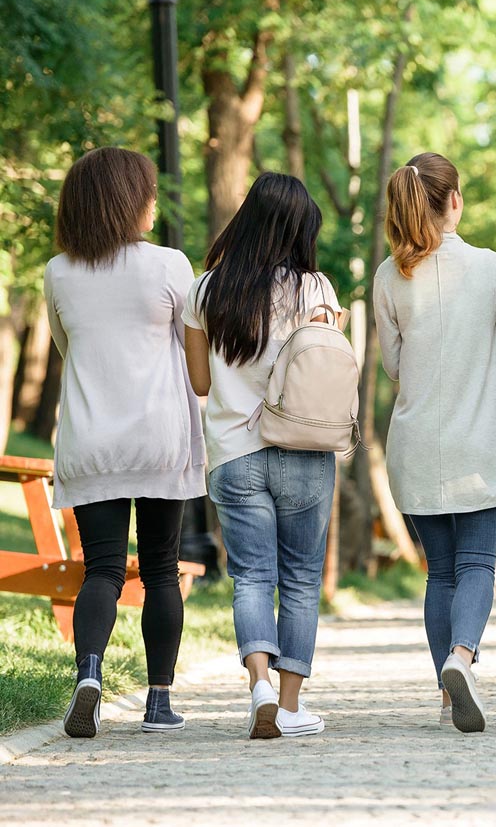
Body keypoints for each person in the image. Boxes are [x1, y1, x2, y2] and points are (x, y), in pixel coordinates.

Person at [46, 147, 206, 738]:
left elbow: (68, 348)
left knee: (103, 570)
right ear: (127, 200)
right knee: (162, 569)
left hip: (91, 442)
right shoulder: (169, 265)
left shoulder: (58, 271)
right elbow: (194, 351)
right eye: (149, 193)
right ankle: (158, 703)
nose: (155, 204)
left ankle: (89, 673)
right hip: (159, 439)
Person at [374, 153, 496, 734]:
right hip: (479, 445)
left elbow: (394, 365)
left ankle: (446, 695)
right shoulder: (489, 267)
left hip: (416, 441)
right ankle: (461, 658)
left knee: (440, 572)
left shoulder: (390, 277)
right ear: (454, 201)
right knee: (477, 564)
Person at [182, 172, 343, 739]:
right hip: (303, 448)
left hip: (233, 452)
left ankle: (259, 688)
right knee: (300, 579)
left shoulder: (204, 290)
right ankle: (292, 707)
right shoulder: (316, 289)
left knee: (251, 576)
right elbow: (327, 369)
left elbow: (201, 383)